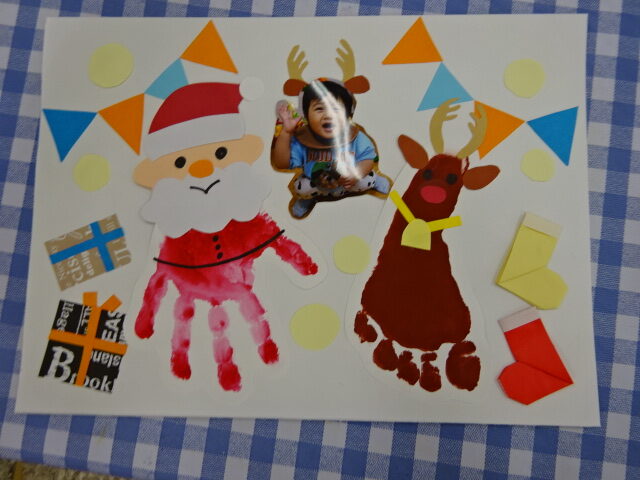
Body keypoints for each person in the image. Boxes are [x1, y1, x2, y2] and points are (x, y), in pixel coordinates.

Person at [271, 79, 391, 218]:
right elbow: (281, 163)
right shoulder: (303, 140)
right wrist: (286, 133)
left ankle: (375, 181)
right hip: (319, 186)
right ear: (306, 115)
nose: (328, 115)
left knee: (366, 180)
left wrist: (356, 174)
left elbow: (368, 159)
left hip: (349, 183)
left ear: (348, 115)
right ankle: (309, 198)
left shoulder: (355, 137)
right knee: (302, 187)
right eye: (319, 109)